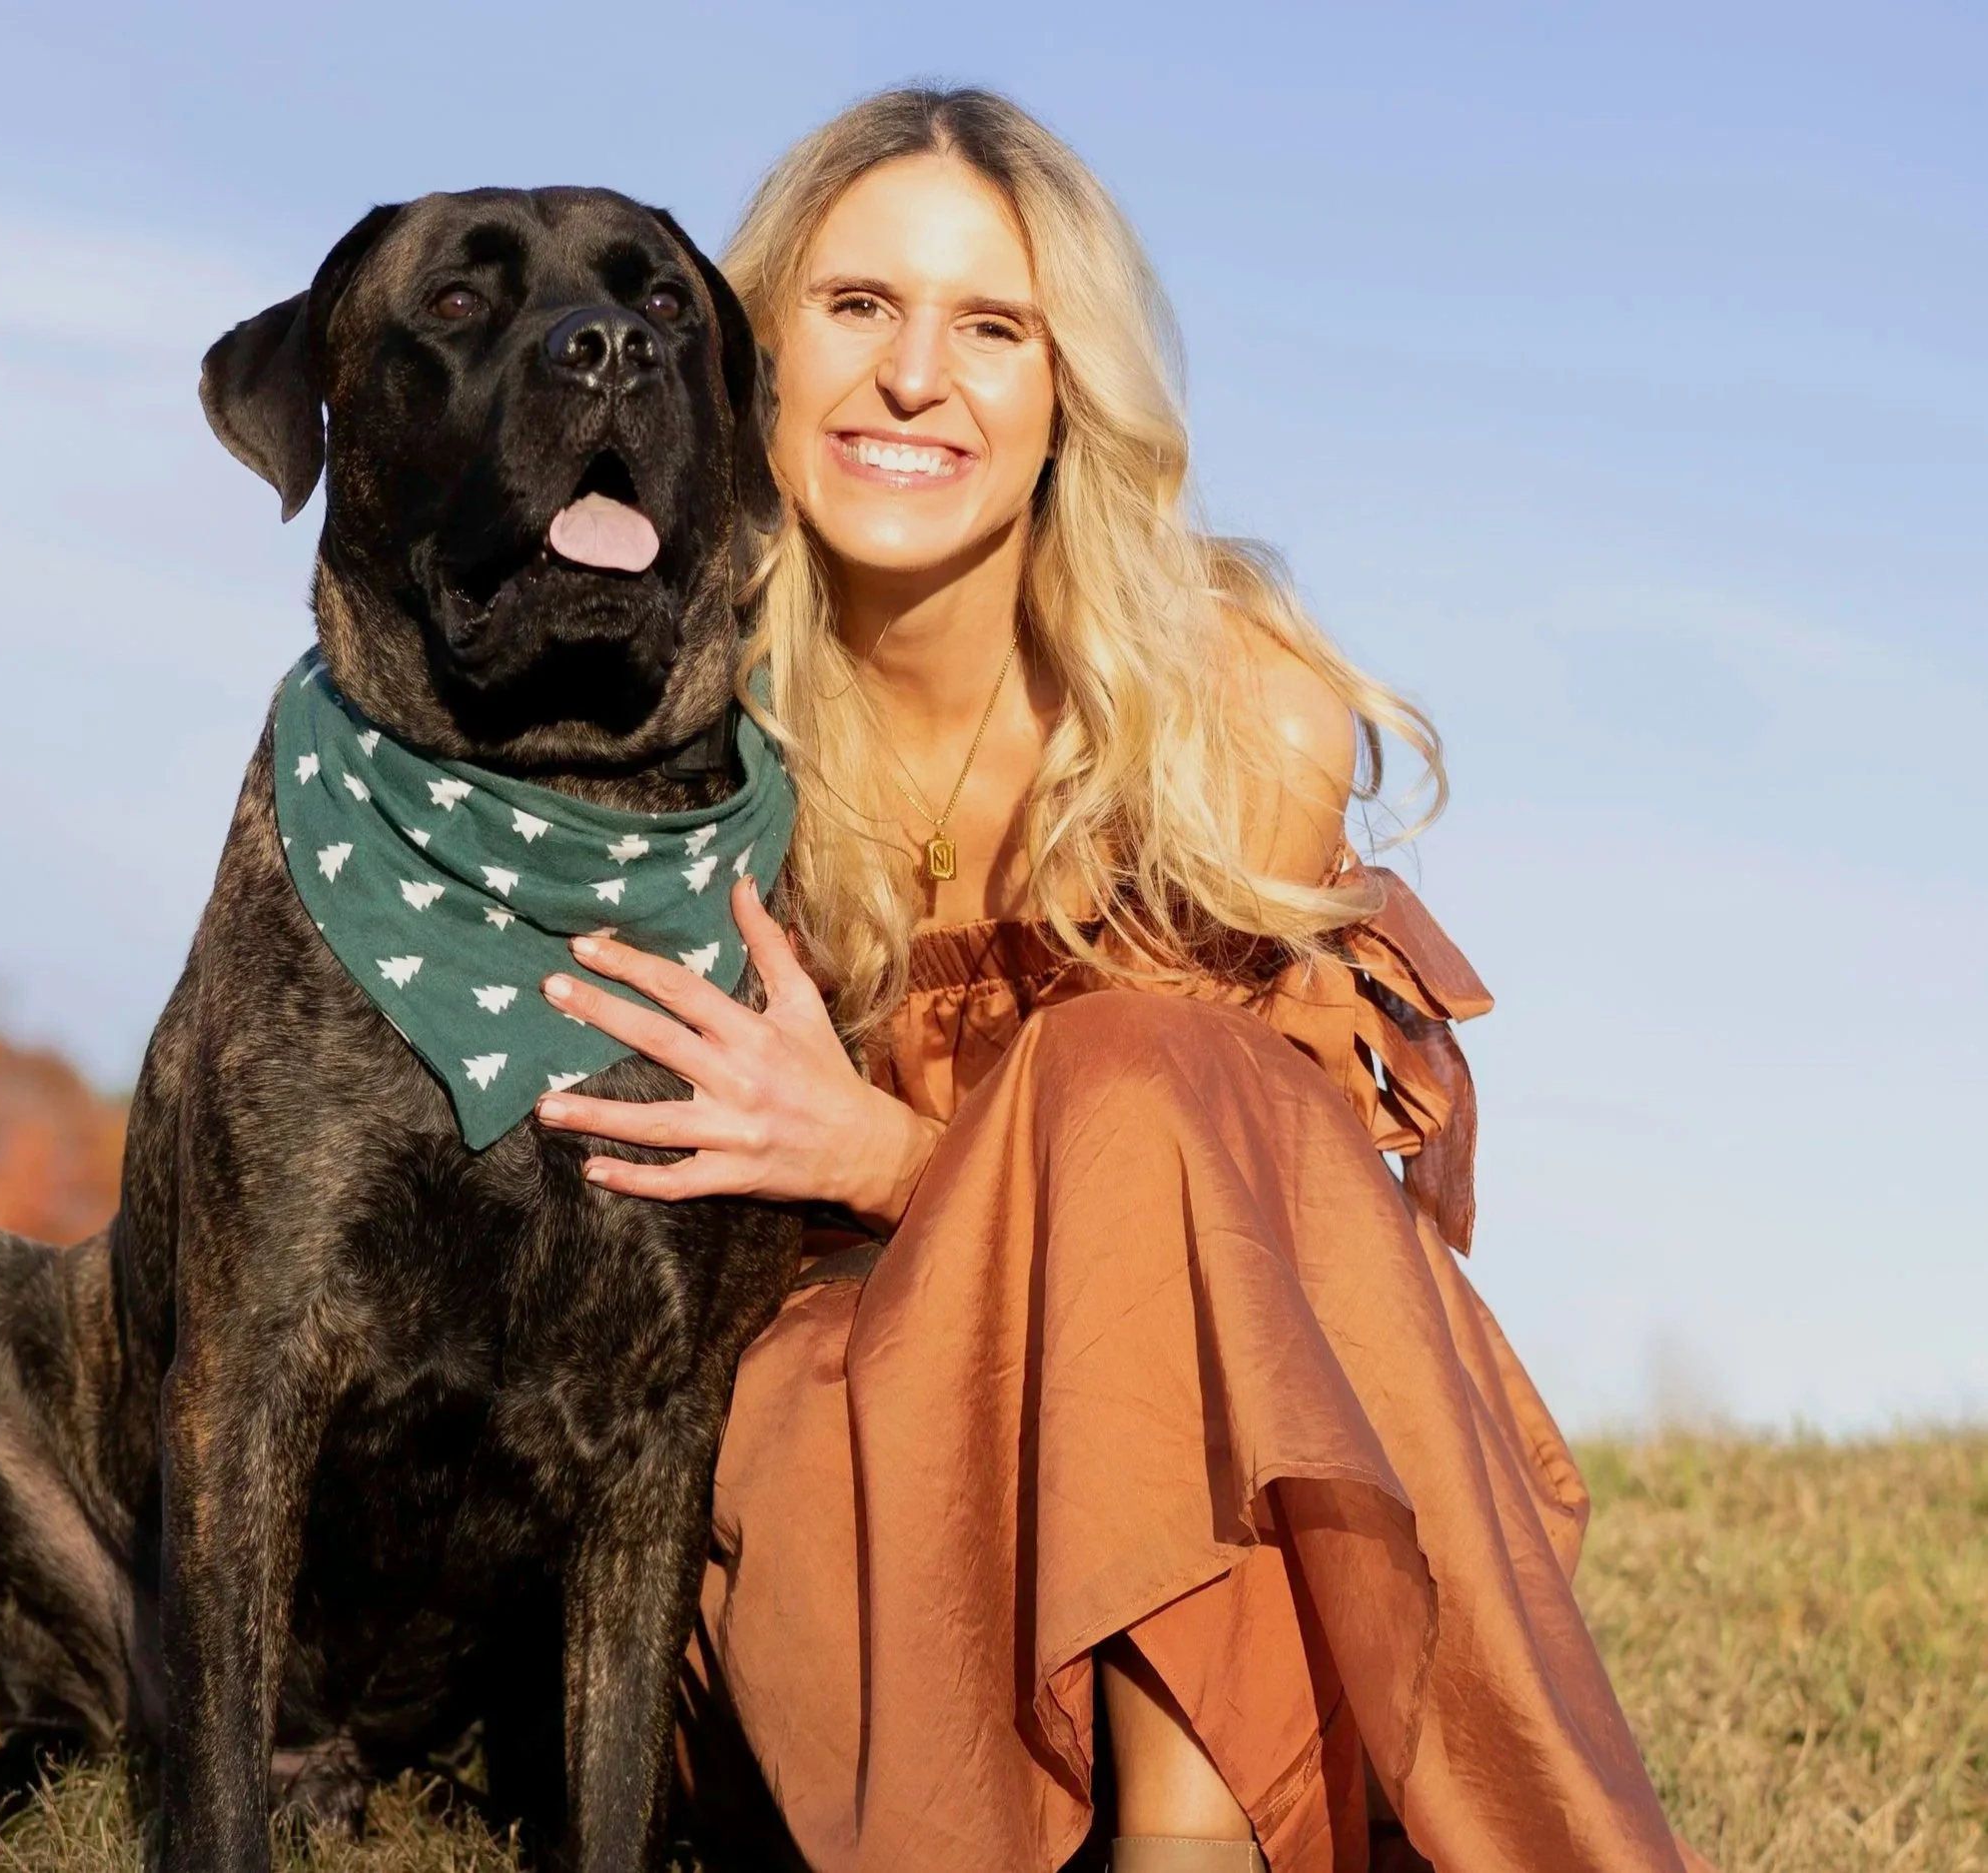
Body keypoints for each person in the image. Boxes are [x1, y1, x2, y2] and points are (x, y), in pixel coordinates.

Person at [532, 87, 1701, 1873]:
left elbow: (1247, 1250)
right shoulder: (678, 713)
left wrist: (886, 1157)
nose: (916, 378)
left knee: (1141, 1075)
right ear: (753, 352)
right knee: (852, 1329)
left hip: (1245, 1439)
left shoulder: (1229, 705)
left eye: (992, 328)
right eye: (857, 309)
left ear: (1067, 391)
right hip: (876, 1465)